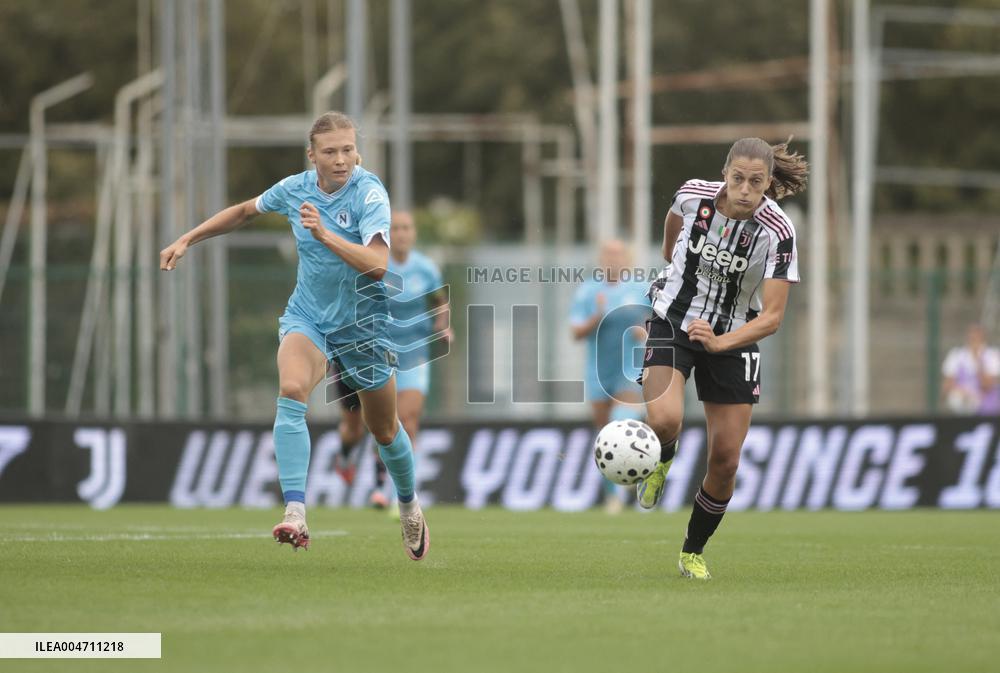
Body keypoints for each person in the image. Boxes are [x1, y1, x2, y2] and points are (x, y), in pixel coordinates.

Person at [159, 111, 430, 561]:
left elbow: (379, 265)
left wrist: (324, 234)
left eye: (347, 149)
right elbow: (245, 211)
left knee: (383, 429)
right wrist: (189, 238)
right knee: (290, 388)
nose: (341, 159)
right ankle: (296, 512)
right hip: (309, 317)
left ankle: (408, 505)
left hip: (363, 325)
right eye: (330, 151)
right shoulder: (295, 188)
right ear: (312, 156)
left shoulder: (369, 193)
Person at [636, 137, 807, 579]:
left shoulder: (779, 233)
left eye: (755, 182)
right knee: (664, 420)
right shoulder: (692, 195)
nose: (745, 190)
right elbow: (669, 241)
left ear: (769, 183)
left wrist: (719, 342)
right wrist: (674, 271)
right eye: (737, 179)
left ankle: (692, 551)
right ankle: (664, 457)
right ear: (725, 173)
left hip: (734, 334)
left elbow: (771, 318)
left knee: (726, 458)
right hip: (672, 319)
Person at [336, 211, 451, 512]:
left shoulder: (426, 268)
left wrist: (443, 326)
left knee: (406, 419)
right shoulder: (373, 263)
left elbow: (440, 303)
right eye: (396, 228)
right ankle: (346, 453)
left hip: (414, 354)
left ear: (413, 233)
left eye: (406, 228)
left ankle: (389, 489)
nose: (401, 233)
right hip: (372, 352)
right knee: (355, 428)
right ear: (387, 234)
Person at [570, 240, 650, 513]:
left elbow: (658, 322)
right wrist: (597, 316)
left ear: (627, 259)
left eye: (618, 254)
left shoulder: (641, 290)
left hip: (629, 370)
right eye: (608, 254)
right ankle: (612, 496)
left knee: (623, 421)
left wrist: (646, 332)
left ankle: (636, 477)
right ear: (600, 259)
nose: (612, 259)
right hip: (597, 371)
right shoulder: (589, 291)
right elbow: (576, 332)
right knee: (604, 435)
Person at [942, 324, 1000, 415]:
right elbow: (947, 385)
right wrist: (964, 391)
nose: (974, 341)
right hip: (963, 400)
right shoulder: (956, 355)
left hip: (985, 405)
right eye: (972, 338)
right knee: (957, 399)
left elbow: (988, 385)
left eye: (977, 338)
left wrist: (977, 360)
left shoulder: (992, 355)